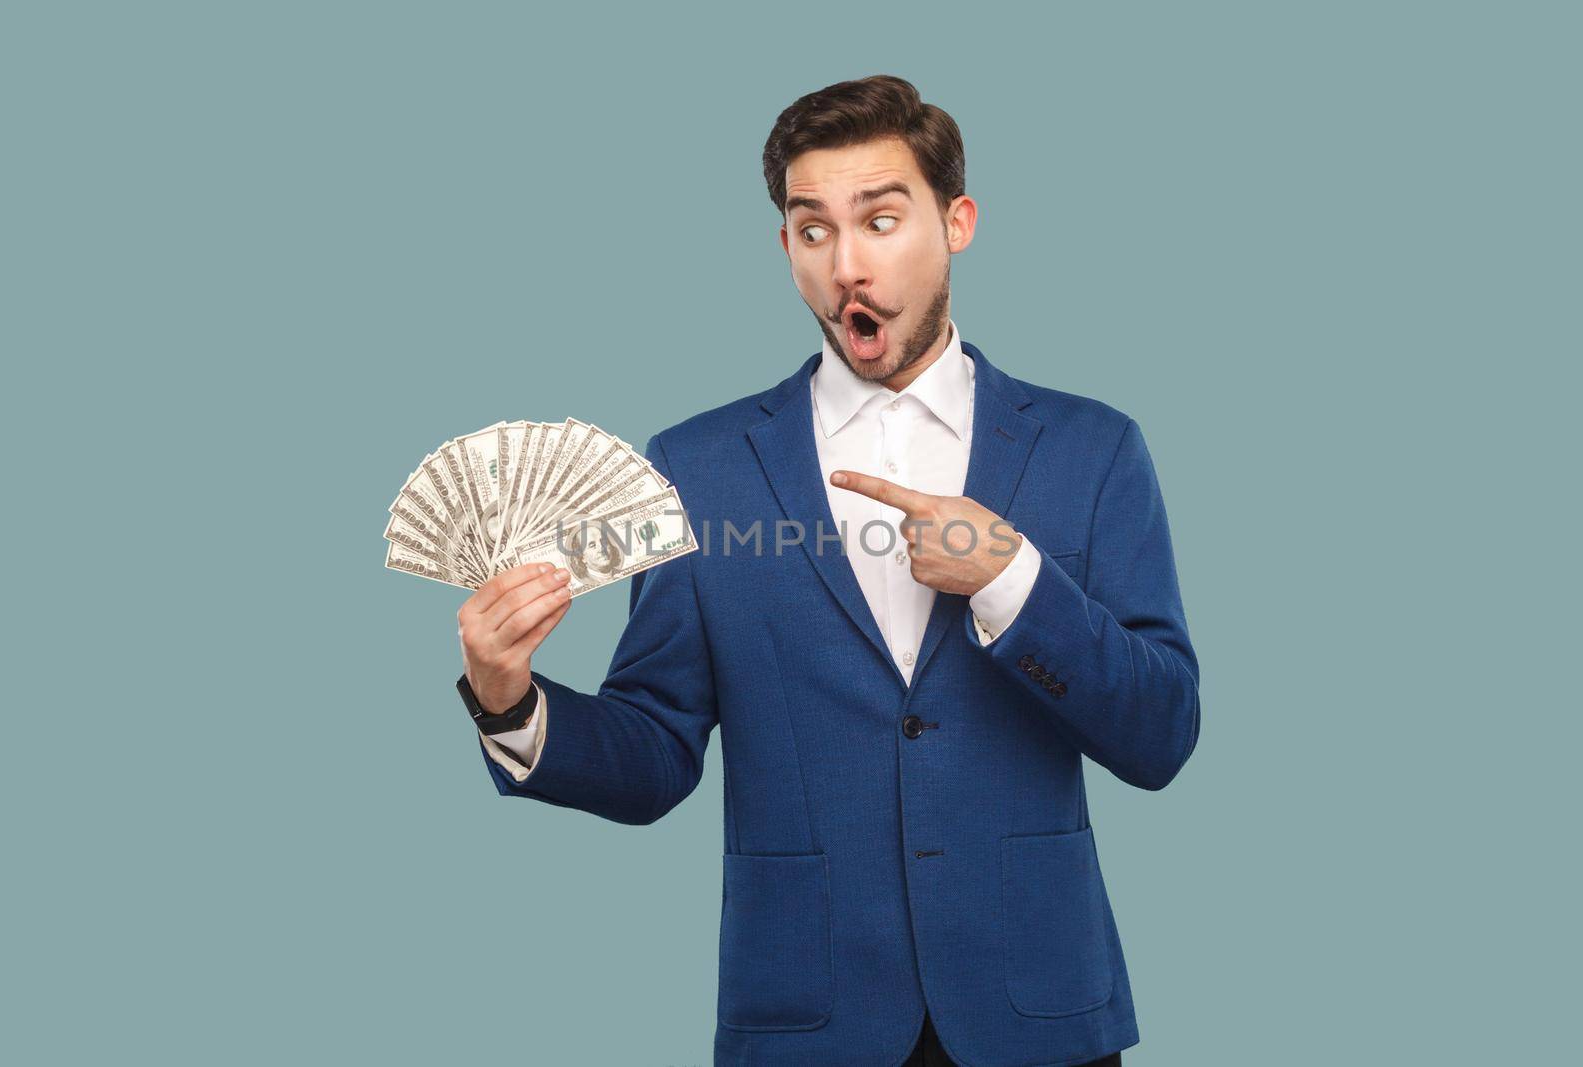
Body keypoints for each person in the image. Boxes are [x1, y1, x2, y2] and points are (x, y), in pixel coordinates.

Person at [452, 74, 1199, 1067]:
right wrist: (511, 701)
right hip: (807, 1016)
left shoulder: (1092, 448)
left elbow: (1162, 734)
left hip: (1038, 1007)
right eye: (813, 231)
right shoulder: (696, 467)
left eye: (882, 219)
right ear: (785, 249)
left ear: (957, 221)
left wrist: (1011, 578)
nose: (847, 263)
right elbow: (656, 749)